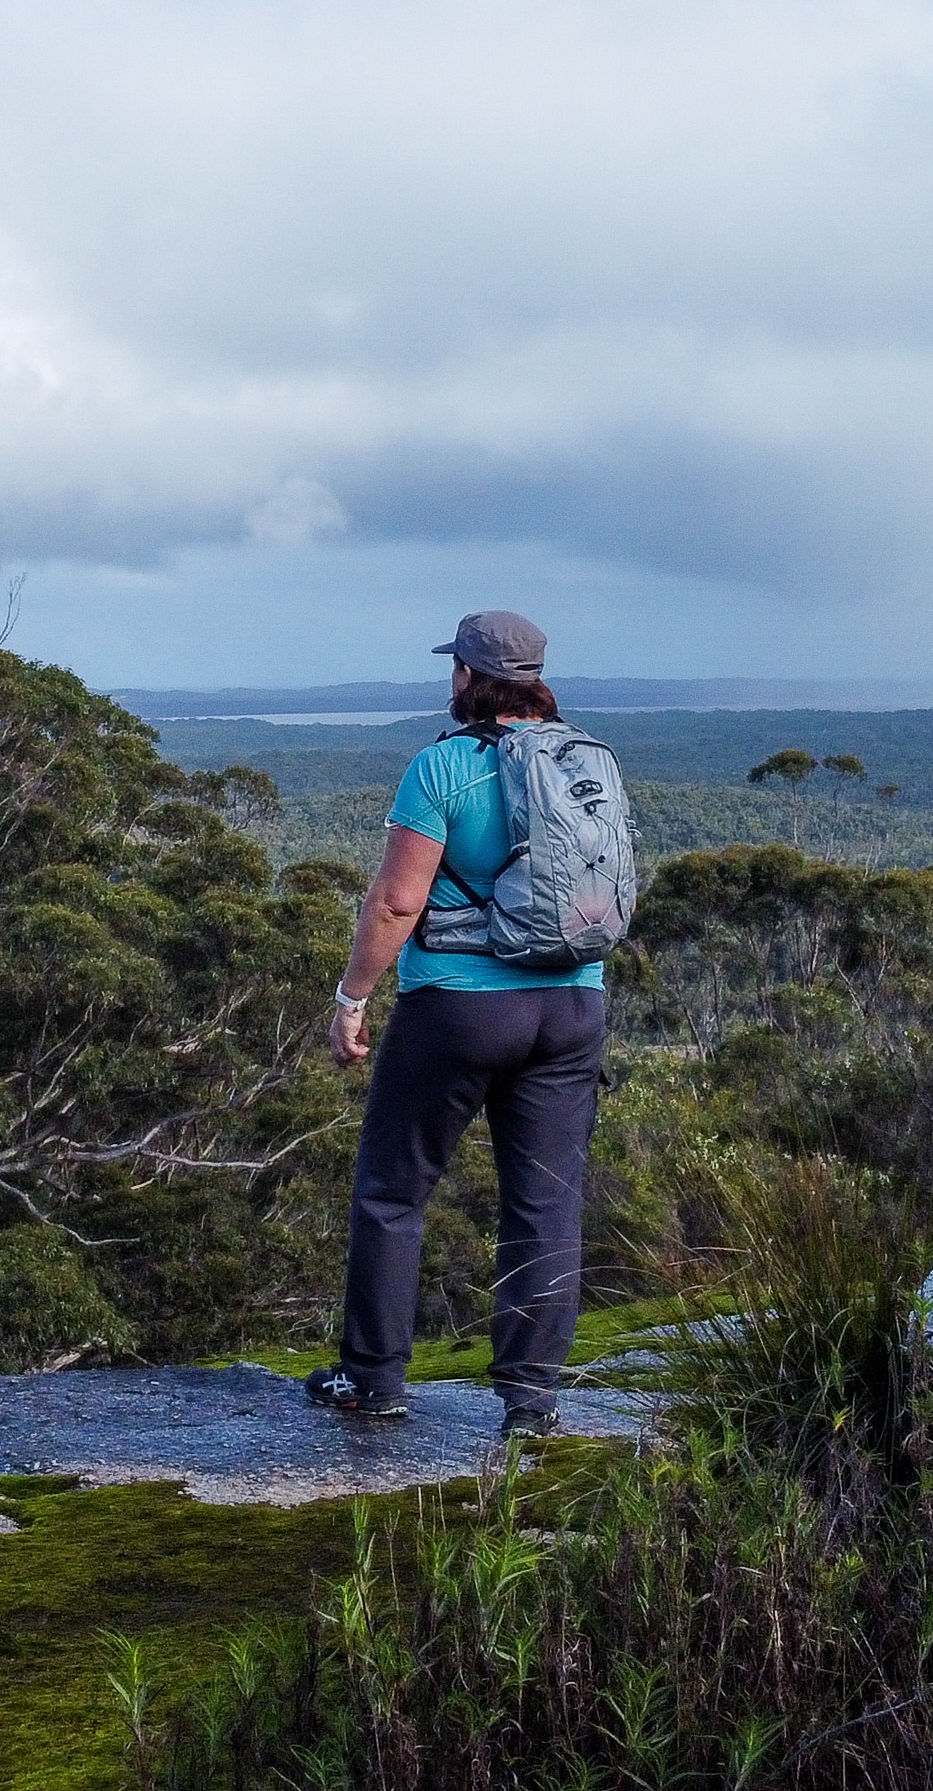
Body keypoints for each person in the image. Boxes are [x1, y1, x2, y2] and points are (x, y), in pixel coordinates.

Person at [307, 609, 606, 1440]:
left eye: (455, 670)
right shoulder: (586, 761)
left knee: (393, 1191)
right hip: (575, 1003)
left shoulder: (442, 768)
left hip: (462, 1007)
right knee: (547, 1204)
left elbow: (400, 900)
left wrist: (352, 996)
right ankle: (532, 1402)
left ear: (469, 678)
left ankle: (373, 1381)